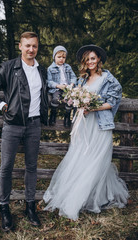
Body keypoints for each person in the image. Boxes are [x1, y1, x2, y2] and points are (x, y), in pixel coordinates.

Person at [43, 44, 129, 221]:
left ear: (98, 60)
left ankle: (95, 197)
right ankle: (79, 196)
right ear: (84, 62)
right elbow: (75, 98)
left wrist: (92, 107)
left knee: (97, 160)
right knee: (81, 157)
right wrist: (78, 104)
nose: (90, 62)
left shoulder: (107, 78)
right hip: (83, 125)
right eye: (87, 59)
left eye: (93, 58)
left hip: (99, 125)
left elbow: (112, 102)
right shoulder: (82, 80)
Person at [0, 32, 48, 231]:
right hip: (12, 124)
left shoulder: (42, 70)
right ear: (20, 46)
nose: (31, 49)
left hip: (34, 125)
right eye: (27, 45)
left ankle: (30, 207)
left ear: (37, 48)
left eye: (34, 46)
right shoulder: (9, 67)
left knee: (31, 167)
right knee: (6, 167)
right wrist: (3, 106)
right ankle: (4, 208)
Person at [48, 45, 77, 127]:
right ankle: (53, 114)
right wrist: (57, 85)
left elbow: (74, 77)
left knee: (70, 100)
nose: (61, 59)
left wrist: (71, 84)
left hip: (67, 88)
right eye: (59, 57)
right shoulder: (50, 68)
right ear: (54, 57)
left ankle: (67, 116)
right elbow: (49, 81)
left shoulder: (68, 67)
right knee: (55, 99)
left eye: (63, 57)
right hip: (57, 88)